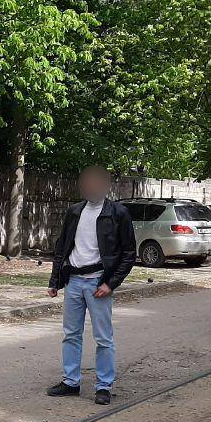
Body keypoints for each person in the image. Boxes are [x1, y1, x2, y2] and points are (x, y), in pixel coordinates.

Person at [45, 166, 136, 405]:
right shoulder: (74, 212)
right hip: (74, 281)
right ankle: (70, 382)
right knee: (71, 335)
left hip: (98, 284)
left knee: (103, 338)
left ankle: (104, 386)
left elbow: (129, 253)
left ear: (106, 186)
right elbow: (61, 247)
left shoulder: (118, 213)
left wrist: (110, 283)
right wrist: (55, 281)